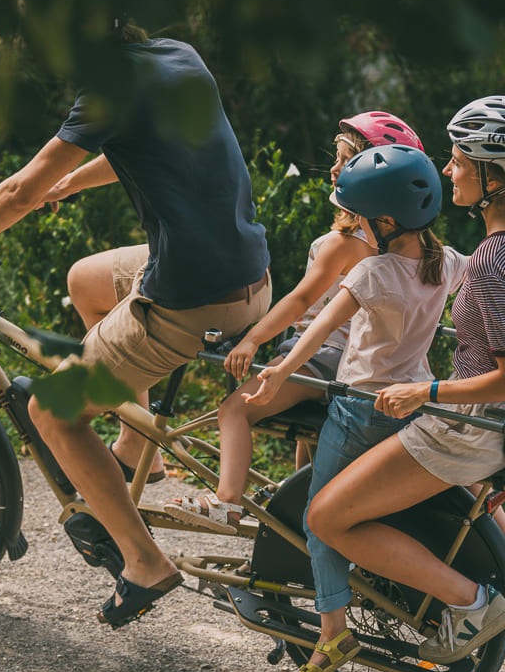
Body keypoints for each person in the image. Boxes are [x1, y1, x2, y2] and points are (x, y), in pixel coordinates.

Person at [0, 21, 272, 628]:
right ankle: (136, 447)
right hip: (248, 276)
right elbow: (140, 149)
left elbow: (18, 192)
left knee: (50, 412)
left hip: (193, 300)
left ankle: (144, 563)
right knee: (86, 281)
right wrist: (70, 181)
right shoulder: (177, 55)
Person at [300, 95, 505, 672]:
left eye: (459, 161)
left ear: (494, 175)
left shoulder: (489, 262)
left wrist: (426, 392)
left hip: (467, 431)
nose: (447, 170)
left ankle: (471, 605)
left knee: (326, 518)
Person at [246, 142, 468, 672]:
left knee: (319, 517)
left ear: (386, 222)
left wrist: (279, 370)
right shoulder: (449, 262)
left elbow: (319, 327)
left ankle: (333, 632)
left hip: (360, 407)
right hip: (412, 402)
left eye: (363, 218)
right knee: (364, 506)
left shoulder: (373, 272)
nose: (358, 227)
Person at [164, 112, 423, 532]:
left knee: (233, 411)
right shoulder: (405, 247)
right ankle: (297, 498)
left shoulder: (342, 244)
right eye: (337, 159)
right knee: (309, 439)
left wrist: (252, 339)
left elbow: (301, 299)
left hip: (322, 357)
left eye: (347, 161)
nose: (335, 169)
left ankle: (227, 502)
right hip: (364, 364)